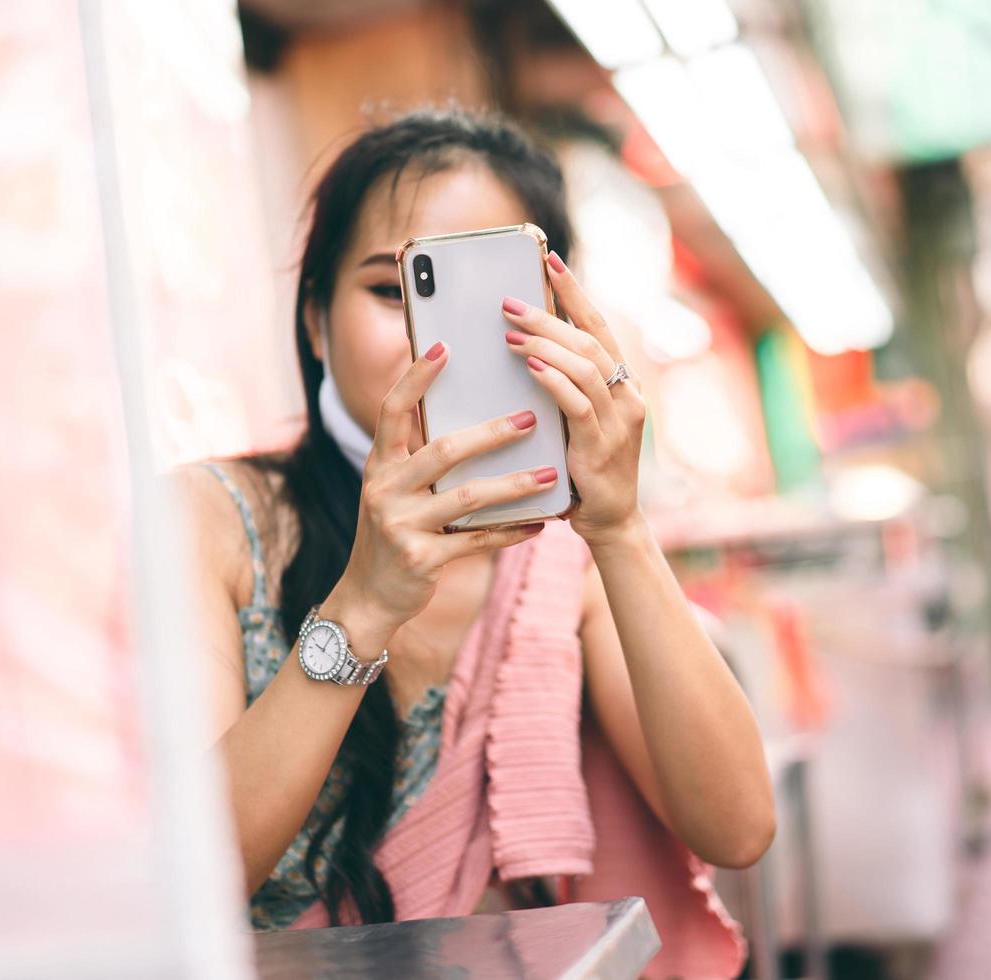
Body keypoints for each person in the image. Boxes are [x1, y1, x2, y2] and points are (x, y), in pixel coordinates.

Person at [174, 110, 774, 974]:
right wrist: (367, 605)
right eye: (393, 291)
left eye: (494, 303)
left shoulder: (564, 549)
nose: (437, 345)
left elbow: (739, 826)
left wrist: (619, 527)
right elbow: (195, 874)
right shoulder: (214, 517)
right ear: (314, 321)